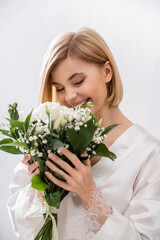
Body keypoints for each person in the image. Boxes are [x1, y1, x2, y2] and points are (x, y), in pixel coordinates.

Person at [8, 27, 160, 240]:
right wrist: (39, 190)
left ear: (107, 72)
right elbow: (25, 231)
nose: (69, 96)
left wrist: (89, 193)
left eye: (78, 81)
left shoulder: (149, 154)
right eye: (59, 88)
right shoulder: (49, 140)